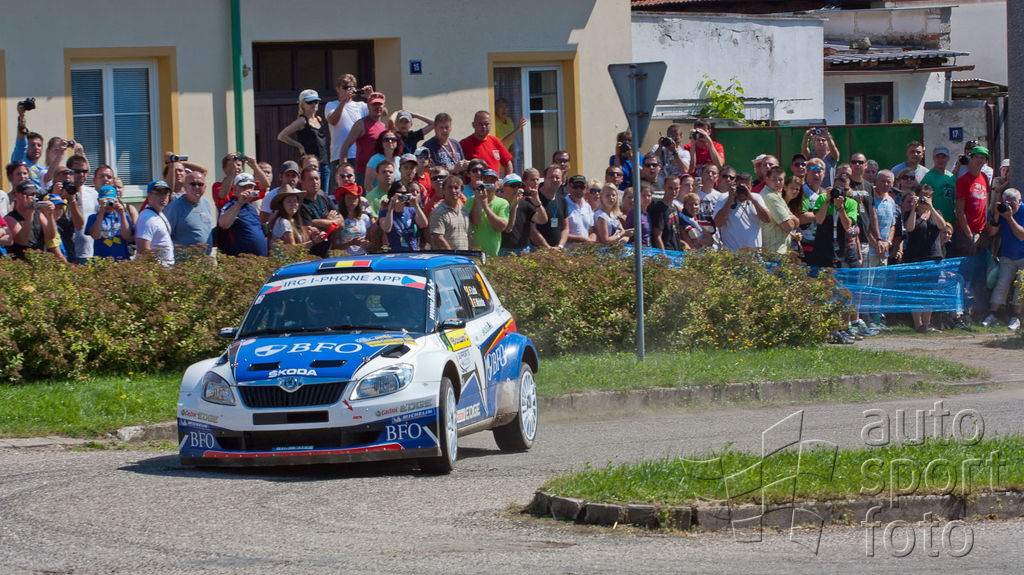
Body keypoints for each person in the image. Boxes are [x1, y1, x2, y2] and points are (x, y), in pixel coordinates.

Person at [902, 185, 948, 332]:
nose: (924, 199)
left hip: (933, 256)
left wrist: (931, 207)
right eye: (922, 196)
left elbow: (942, 226)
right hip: (915, 257)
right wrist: (914, 208)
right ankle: (918, 324)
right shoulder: (911, 213)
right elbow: (909, 228)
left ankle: (927, 323)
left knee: (930, 291)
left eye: (928, 196)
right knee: (916, 291)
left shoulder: (936, 213)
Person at [983, 188, 1024, 331]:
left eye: (1012, 203)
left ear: (1020, 201)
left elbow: (1021, 236)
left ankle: (1016, 317)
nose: (1009, 206)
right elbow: (992, 232)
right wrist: (996, 215)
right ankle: (993, 314)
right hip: (1007, 254)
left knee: (1021, 284)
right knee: (1002, 283)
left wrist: (1010, 218)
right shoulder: (1002, 210)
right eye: (1006, 202)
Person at [277, 89, 331, 188]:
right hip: (309, 165)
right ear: (302, 104)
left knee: (324, 193)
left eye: (316, 102)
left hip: (324, 163)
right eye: (310, 102)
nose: (314, 104)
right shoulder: (302, 121)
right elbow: (282, 136)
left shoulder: (319, 119)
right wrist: (299, 146)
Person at [325, 74, 372, 185]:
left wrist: (371, 97)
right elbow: (333, 120)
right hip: (338, 156)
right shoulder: (331, 105)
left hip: (359, 156)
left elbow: (381, 113)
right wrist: (343, 102)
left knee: (360, 190)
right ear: (338, 89)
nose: (349, 90)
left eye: (352, 87)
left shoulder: (361, 105)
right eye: (345, 87)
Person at [339, 91, 388, 187]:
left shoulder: (383, 126)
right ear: (368, 106)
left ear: (383, 106)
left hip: (380, 174)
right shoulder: (361, 124)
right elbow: (345, 146)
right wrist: (343, 168)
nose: (377, 107)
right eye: (374, 104)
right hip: (363, 174)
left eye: (380, 104)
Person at [714, 166, 770, 252]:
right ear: (734, 184)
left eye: (746, 188)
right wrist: (730, 199)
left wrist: (752, 199)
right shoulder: (724, 198)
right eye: (740, 187)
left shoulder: (756, 198)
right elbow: (718, 223)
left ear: (751, 185)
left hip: (754, 254)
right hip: (731, 255)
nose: (743, 191)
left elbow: (767, 219)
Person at [953, 146, 992, 257]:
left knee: (982, 263)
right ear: (971, 158)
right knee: (967, 265)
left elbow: (985, 203)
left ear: (985, 161)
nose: (979, 160)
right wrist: (969, 234)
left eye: (982, 158)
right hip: (966, 232)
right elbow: (959, 210)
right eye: (976, 157)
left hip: (982, 230)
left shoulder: (984, 177)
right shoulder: (963, 180)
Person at [217, 173, 267, 257]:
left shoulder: (251, 207)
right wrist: (239, 203)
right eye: (244, 187)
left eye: (250, 187)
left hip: (259, 260)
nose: (248, 190)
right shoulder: (231, 205)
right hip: (240, 260)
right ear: (235, 190)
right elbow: (223, 224)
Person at [498, 173, 548, 255]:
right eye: (513, 185)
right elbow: (507, 229)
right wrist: (514, 205)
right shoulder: (499, 205)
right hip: (504, 250)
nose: (517, 188)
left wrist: (538, 203)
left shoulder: (525, 205)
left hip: (524, 250)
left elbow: (542, 220)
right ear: (503, 187)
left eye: (520, 185)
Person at [164, 171, 214, 250]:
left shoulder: (206, 203)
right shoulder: (175, 207)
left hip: (205, 257)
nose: (196, 187)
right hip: (184, 257)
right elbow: (163, 236)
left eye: (200, 184)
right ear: (185, 186)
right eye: (193, 184)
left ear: (205, 188)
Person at [467, 169, 511, 256]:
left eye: (492, 181)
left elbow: (501, 227)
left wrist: (485, 206)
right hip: (474, 253)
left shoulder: (503, 203)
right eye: (486, 180)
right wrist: (477, 198)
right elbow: (475, 221)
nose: (488, 184)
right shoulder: (470, 201)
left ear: (497, 184)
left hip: (493, 255)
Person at [459, 111, 513, 176]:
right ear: (473, 125)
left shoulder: (495, 141)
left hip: (494, 182)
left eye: (486, 124)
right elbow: (459, 170)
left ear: (491, 125)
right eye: (480, 124)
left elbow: (508, 164)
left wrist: (506, 181)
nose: (484, 127)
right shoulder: (464, 144)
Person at [87, 185, 133, 260]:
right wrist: (101, 212)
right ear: (99, 200)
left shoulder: (124, 216)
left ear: (116, 200)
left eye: (111, 200)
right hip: (101, 260)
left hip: (121, 258)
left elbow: (127, 237)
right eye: (106, 201)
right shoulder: (93, 218)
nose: (109, 204)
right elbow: (95, 236)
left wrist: (122, 214)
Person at [380, 181, 429, 253]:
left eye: (405, 193)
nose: (402, 196)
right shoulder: (385, 213)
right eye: (399, 193)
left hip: (412, 251)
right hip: (396, 253)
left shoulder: (411, 210)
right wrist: (391, 207)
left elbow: (424, 224)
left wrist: (416, 205)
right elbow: (387, 228)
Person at [760, 168, 800, 255]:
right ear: (767, 179)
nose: (777, 182)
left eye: (780, 180)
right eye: (774, 179)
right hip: (774, 251)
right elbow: (788, 226)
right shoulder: (770, 196)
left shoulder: (776, 194)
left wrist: (792, 218)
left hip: (780, 250)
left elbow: (795, 224)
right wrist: (793, 218)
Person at [135, 180, 175, 265]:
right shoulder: (148, 219)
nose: (163, 197)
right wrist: (159, 267)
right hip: (157, 269)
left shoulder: (158, 213)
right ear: (149, 196)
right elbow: (143, 249)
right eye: (158, 193)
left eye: (165, 193)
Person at [429, 175, 472, 250]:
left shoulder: (464, 211)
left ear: (461, 191)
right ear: (443, 191)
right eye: (449, 188)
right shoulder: (438, 212)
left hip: (464, 256)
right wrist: (452, 254)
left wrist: (470, 253)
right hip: (447, 256)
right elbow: (438, 238)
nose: (453, 191)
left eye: (456, 188)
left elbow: (468, 235)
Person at [531, 165, 568, 250]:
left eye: (557, 177)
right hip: (537, 250)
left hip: (557, 251)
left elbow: (566, 228)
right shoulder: (534, 198)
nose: (554, 180)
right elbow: (532, 230)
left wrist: (560, 246)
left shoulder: (562, 200)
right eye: (551, 177)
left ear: (562, 181)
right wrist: (548, 248)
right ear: (544, 179)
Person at [920, 146, 957, 228]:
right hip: (935, 221)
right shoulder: (928, 177)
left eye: (943, 157)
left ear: (948, 158)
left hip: (950, 221)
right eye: (938, 157)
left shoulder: (951, 177)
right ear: (933, 158)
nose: (940, 160)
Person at [267, 185, 311, 252]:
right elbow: (292, 248)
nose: (293, 204)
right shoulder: (283, 222)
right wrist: (314, 241)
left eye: (295, 201)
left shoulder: (294, 221)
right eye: (289, 201)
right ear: (282, 205)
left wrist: (311, 236)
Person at [10, 102, 45, 180]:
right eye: (32, 145)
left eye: (39, 145)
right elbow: (21, 143)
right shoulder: (19, 162)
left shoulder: (43, 171)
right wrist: (22, 117)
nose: (36, 148)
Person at [260, 160, 301, 225]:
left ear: (298, 177)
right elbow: (263, 221)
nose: (290, 179)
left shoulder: (300, 195)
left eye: (293, 176)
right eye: (287, 175)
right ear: (280, 177)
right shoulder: (270, 196)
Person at [336, 184, 372, 255]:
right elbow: (334, 247)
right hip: (345, 257)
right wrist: (351, 243)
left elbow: (371, 241)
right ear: (344, 199)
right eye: (349, 198)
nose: (352, 201)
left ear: (358, 200)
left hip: (363, 256)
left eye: (354, 198)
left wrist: (367, 244)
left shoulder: (365, 218)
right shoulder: (338, 219)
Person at [649, 174, 681, 251]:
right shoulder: (659, 209)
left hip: (676, 251)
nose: (673, 191)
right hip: (666, 251)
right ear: (664, 187)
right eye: (670, 188)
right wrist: (663, 255)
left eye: (676, 188)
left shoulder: (675, 207)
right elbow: (657, 236)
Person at [564, 175, 595, 245]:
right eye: (575, 187)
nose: (579, 190)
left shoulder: (587, 206)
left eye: (582, 187)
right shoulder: (563, 205)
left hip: (586, 249)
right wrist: (581, 239)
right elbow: (559, 233)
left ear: (586, 189)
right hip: (568, 250)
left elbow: (592, 230)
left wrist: (592, 240)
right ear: (569, 188)